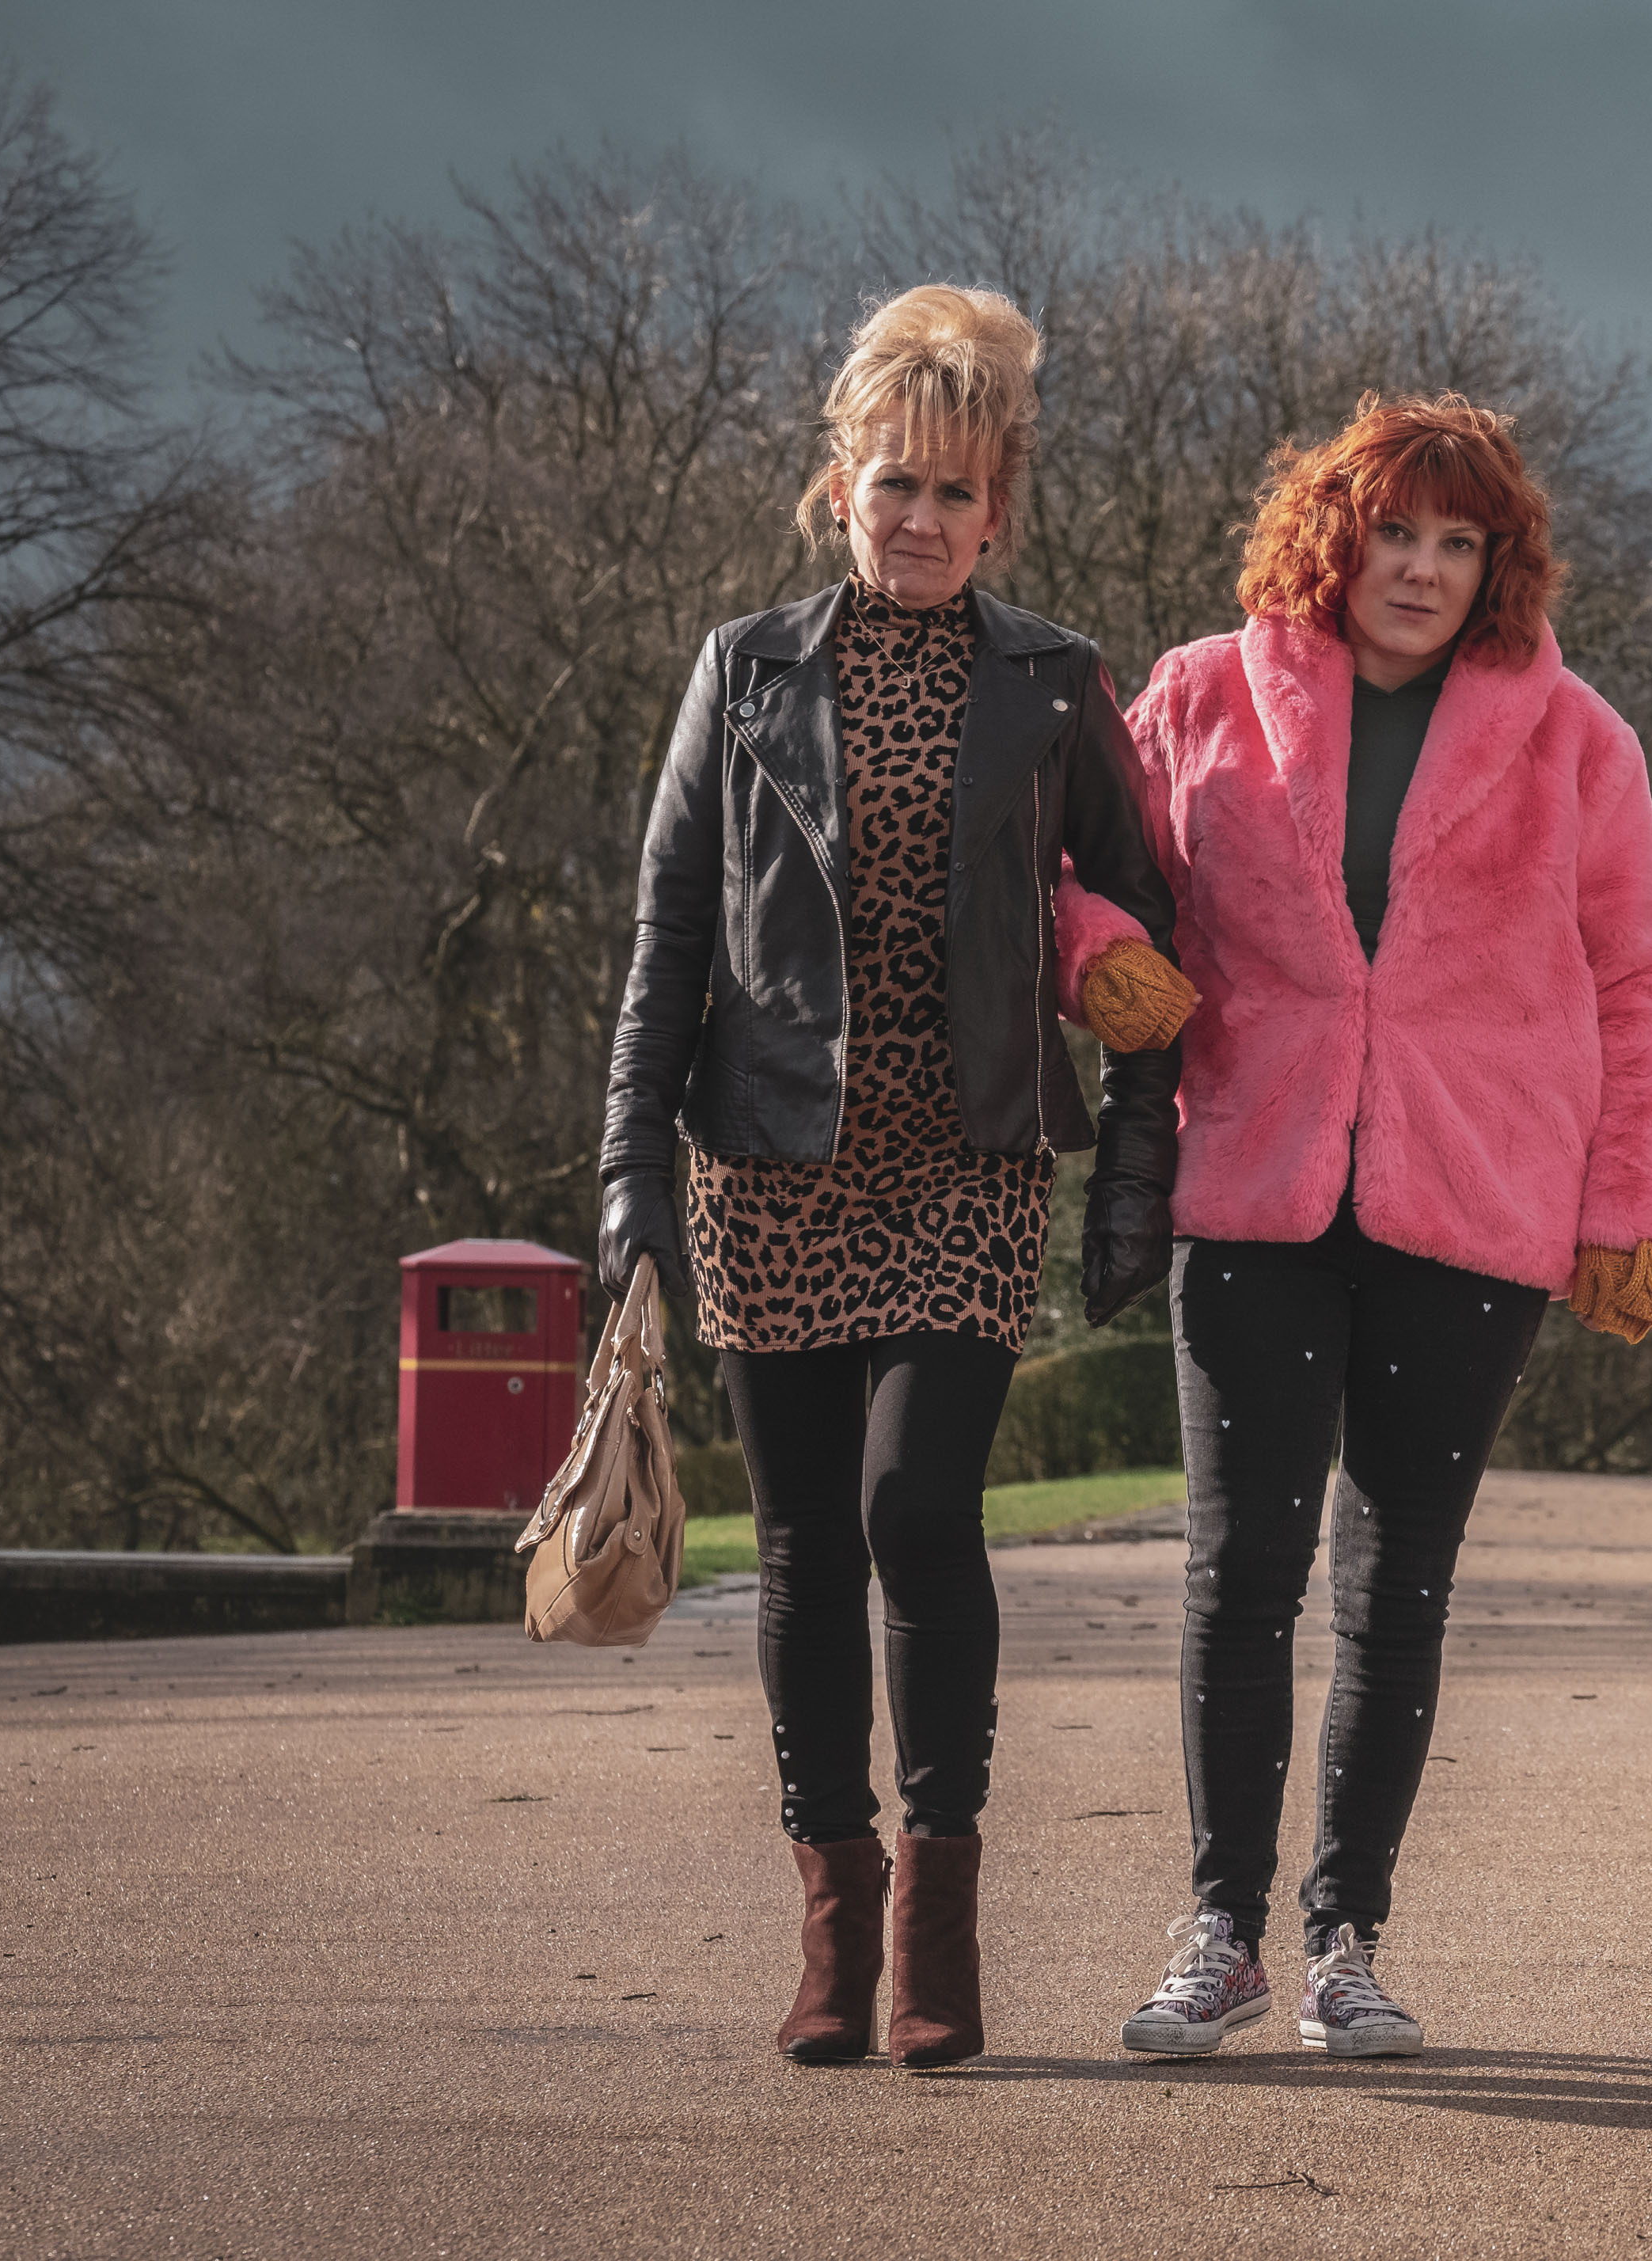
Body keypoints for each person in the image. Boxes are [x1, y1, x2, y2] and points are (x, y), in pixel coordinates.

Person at [595, 284, 1190, 2072]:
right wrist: (627, 1182)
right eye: (891, 486)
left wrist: (1134, 1172)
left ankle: (941, 1922)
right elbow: (667, 941)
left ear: (998, 506)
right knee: (795, 1552)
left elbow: (1145, 929)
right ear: (834, 489)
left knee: (916, 1514)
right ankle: (835, 1936)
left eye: (954, 492)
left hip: (968, 1163)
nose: (920, 520)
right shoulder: (742, 671)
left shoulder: (1056, 679)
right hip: (766, 1161)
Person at [1109, 393, 1652, 2061]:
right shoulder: (1200, 694)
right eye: (1397, 533)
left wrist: (1633, 1205)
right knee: (1242, 1574)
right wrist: (1100, 955)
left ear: (1497, 564)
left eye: (1461, 542)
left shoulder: (1578, 735)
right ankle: (1217, 1932)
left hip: (1478, 1197)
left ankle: (1343, 1939)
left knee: (1400, 1584)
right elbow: (1097, 874)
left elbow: (1640, 989)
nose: (1424, 569)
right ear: (1334, 534)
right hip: (1259, 1183)